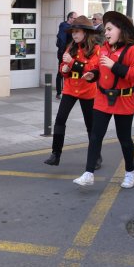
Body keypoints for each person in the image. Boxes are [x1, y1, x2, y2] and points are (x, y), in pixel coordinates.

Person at [73, 11, 134, 188]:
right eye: (105, 30)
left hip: (123, 100)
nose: (106, 33)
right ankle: (89, 173)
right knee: (96, 136)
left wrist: (115, 66)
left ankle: (130, 172)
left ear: (121, 29)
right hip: (103, 99)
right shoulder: (104, 47)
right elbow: (99, 68)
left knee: (124, 138)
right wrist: (93, 74)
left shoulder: (132, 50)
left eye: (109, 29)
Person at [44, 16, 102, 168]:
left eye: (77, 32)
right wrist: (64, 69)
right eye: (73, 32)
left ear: (86, 33)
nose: (74, 35)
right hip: (70, 88)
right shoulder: (71, 46)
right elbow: (64, 65)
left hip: (87, 90)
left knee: (90, 125)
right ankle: (55, 154)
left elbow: (92, 69)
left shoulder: (96, 49)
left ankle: (96, 156)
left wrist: (72, 63)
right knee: (60, 120)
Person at [56, 11, 77, 99]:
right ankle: (59, 92)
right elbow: (62, 40)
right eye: (74, 18)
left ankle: (67, 91)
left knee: (69, 71)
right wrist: (64, 52)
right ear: (70, 18)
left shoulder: (73, 27)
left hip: (70, 53)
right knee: (61, 71)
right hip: (64, 53)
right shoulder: (64, 26)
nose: (76, 20)